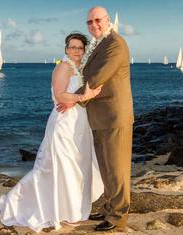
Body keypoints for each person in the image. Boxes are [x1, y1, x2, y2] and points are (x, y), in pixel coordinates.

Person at [0, 33, 104, 232]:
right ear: (66, 49)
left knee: (78, 166)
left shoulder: (81, 68)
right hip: (64, 123)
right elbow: (60, 95)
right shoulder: (63, 67)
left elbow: (83, 92)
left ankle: (73, 209)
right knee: (62, 166)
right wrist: (82, 97)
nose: (75, 51)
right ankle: (21, 204)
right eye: (72, 47)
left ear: (84, 50)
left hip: (80, 123)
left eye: (79, 48)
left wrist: (84, 97)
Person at [57, 6, 134, 231]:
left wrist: (71, 98)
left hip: (114, 117)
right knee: (106, 167)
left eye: (98, 20)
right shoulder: (97, 44)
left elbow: (98, 77)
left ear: (108, 20)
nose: (94, 25)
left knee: (117, 169)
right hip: (99, 117)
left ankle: (118, 217)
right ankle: (110, 206)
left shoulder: (116, 44)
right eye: (90, 22)